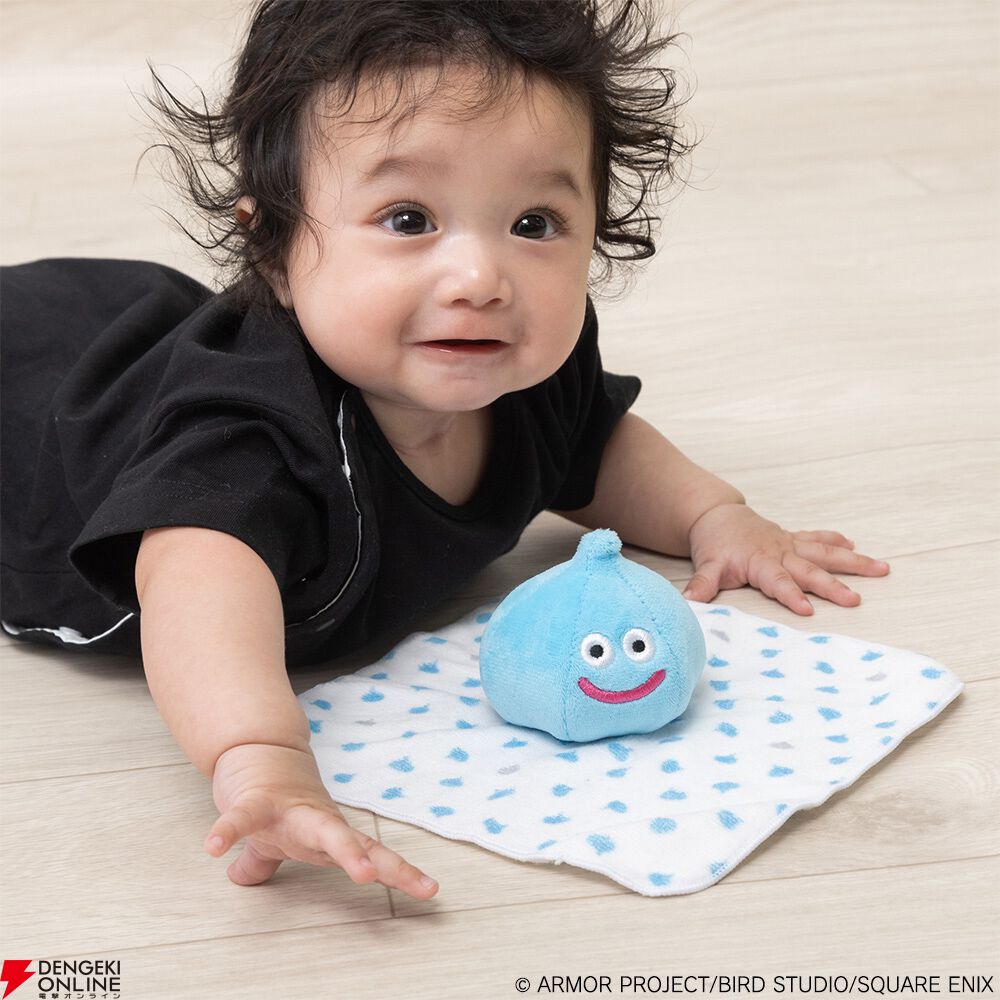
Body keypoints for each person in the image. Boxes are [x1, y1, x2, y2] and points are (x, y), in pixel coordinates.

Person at [0, 0, 889, 900]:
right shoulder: (246, 438)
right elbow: (195, 587)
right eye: (408, 218)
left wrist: (714, 515)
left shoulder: (527, 372)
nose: (479, 279)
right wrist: (262, 759)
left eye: (534, 223)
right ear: (272, 249)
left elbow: (596, 446)